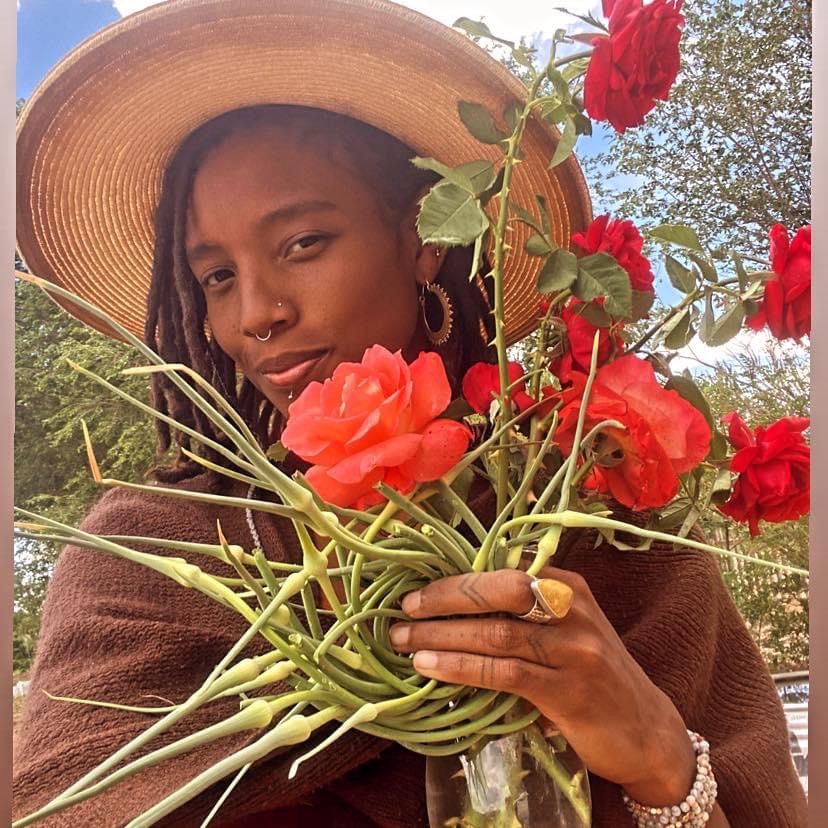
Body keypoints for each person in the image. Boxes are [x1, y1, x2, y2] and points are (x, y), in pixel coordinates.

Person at [13, 1, 807, 826]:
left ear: (422, 236)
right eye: (216, 276)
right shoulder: (151, 557)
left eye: (302, 243)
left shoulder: (601, 542)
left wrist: (660, 759)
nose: (256, 312)